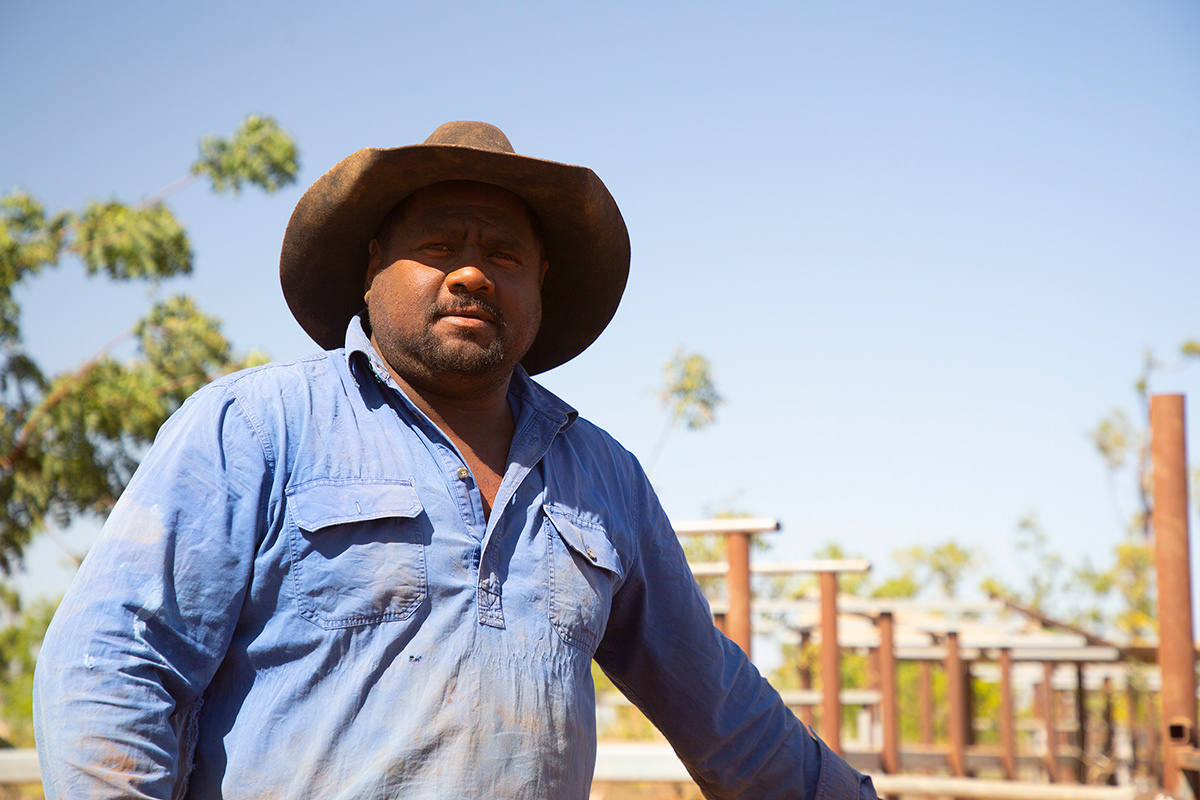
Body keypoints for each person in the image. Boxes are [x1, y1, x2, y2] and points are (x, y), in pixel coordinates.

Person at [33, 121, 877, 800]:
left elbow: (722, 710)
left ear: (540, 282)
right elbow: (112, 667)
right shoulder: (257, 426)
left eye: (505, 256)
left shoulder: (602, 478)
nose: (473, 272)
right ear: (372, 268)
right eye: (439, 246)